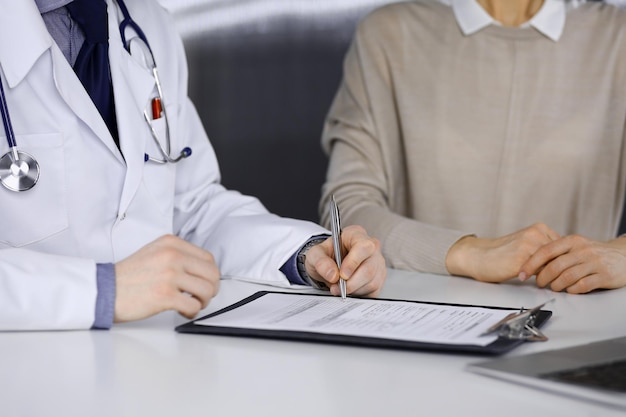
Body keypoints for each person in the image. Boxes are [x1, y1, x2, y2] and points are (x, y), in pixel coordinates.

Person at [0, 0, 387, 331]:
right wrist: (102, 289)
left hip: (152, 359)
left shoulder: (148, 26)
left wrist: (307, 254)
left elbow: (193, 209)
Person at [320, 0, 626, 294]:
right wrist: (468, 252)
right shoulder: (390, 34)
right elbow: (347, 209)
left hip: (580, 332)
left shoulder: (616, 37)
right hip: (421, 322)